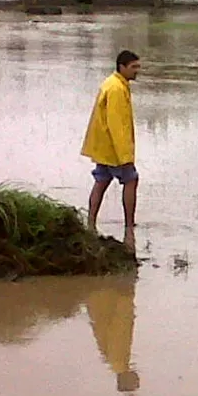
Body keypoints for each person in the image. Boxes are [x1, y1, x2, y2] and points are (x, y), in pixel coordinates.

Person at [81, 50, 141, 250]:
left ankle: (90, 223)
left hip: (104, 148)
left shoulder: (113, 83)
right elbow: (117, 125)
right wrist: (125, 156)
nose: (137, 71)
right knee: (131, 180)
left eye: (137, 67)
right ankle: (129, 227)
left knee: (101, 181)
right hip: (114, 149)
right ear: (122, 67)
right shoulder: (116, 89)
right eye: (133, 67)